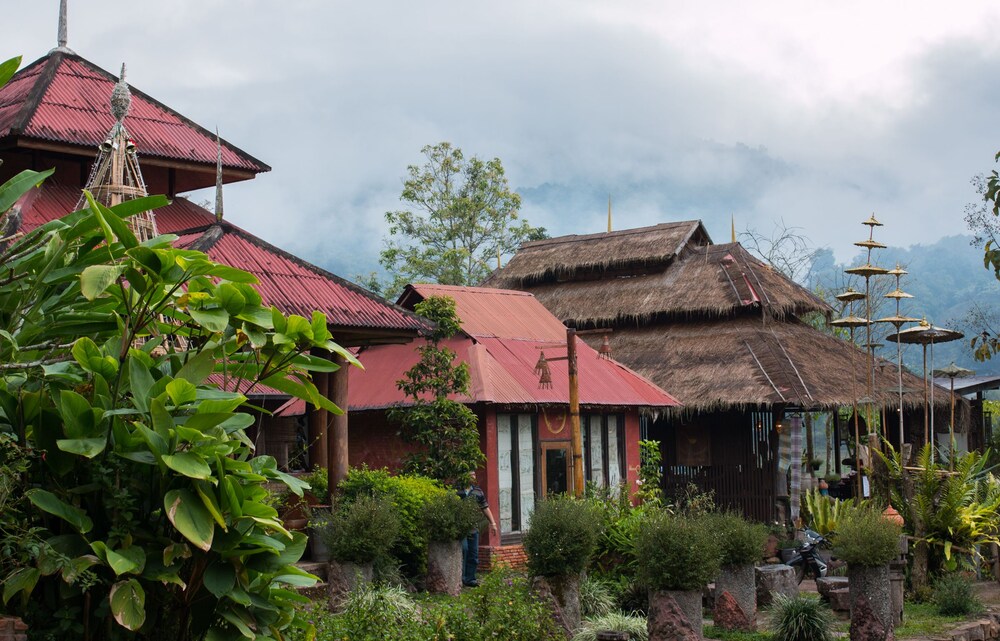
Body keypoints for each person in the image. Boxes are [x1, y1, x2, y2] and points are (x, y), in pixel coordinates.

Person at [457, 470, 498, 587]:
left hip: (473, 528)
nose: (473, 477)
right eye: (470, 475)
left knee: (473, 554)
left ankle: (470, 579)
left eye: (474, 475)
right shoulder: (457, 491)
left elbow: (485, 507)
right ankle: (461, 578)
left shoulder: (478, 492)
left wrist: (493, 523)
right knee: (464, 549)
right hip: (461, 528)